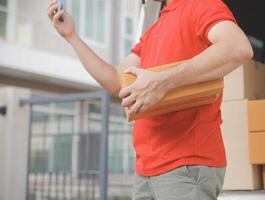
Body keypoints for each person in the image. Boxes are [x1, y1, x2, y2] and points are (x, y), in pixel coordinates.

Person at [48, 0, 253, 199]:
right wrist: (72, 36)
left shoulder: (200, 4)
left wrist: (162, 82)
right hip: (145, 169)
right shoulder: (154, 29)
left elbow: (238, 47)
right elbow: (116, 81)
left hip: (186, 165)